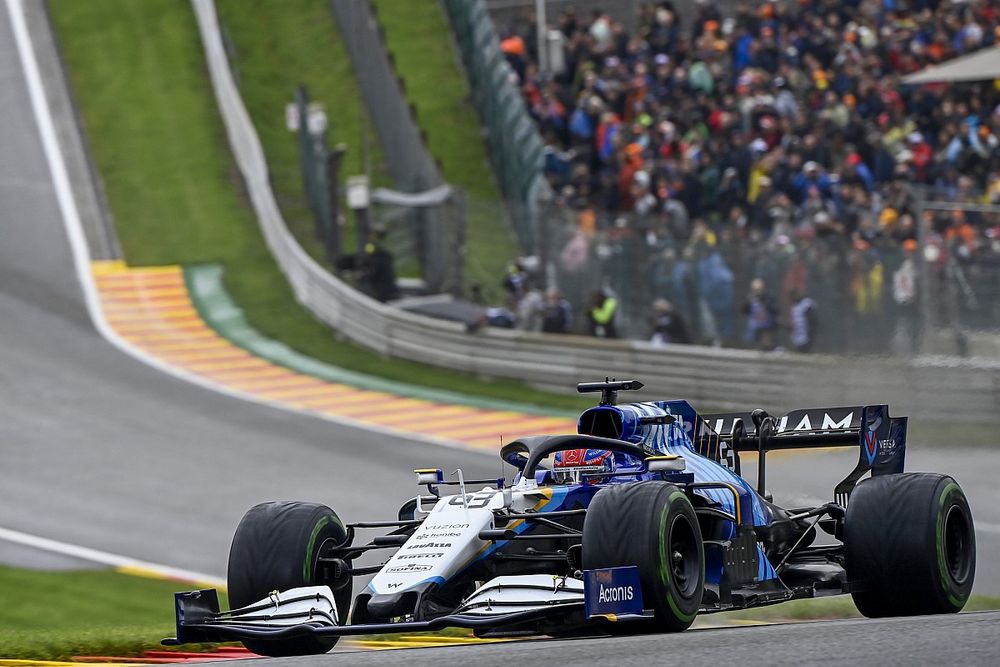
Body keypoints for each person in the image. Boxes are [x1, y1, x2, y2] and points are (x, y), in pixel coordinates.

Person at [359, 228, 397, 303]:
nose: (370, 237)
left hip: (383, 288)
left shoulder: (380, 252)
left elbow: (375, 268)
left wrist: (364, 274)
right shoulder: (372, 248)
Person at [742, 279, 776, 350]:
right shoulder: (750, 299)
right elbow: (744, 311)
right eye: (755, 290)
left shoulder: (768, 298)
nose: (757, 292)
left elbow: (773, 310)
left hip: (765, 328)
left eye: (759, 290)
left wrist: (763, 301)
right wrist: (748, 301)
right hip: (753, 328)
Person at [788, 288, 817, 353]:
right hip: (797, 334)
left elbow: (812, 320)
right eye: (792, 295)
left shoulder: (806, 304)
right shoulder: (794, 307)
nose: (794, 297)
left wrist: (810, 331)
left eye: (796, 294)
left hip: (806, 334)